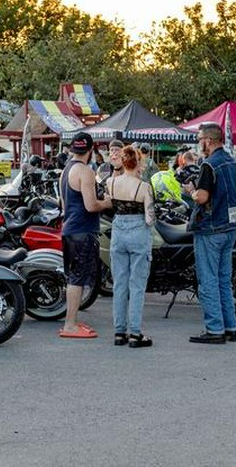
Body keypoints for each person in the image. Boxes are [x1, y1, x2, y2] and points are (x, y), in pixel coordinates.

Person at [188, 123, 236, 345]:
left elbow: (202, 197)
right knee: (223, 280)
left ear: (208, 141)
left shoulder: (209, 165)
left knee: (208, 280)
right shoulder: (230, 161)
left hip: (211, 227)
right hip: (231, 226)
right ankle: (230, 327)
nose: (199, 143)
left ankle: (215, 329)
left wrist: (190, 191)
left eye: (200, 139)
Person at [58, 132, 111, 339]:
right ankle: (70, 325)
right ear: (90, 151)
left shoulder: (65, 171)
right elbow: (91, 205)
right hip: (82, 230)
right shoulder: (85, 172)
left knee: (74, 277)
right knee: (77, 278)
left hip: (70, 228)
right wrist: (109, 202)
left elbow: (63, 203)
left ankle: (72, 320)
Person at [107, 145, 154, 348]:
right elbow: (150, 219)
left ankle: (119, 332)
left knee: (119, 284)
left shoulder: (111, 182)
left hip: (118, 231)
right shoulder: (143, 187)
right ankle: (135, 333)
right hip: (138, 233)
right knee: (136, 286)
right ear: (139, 163)